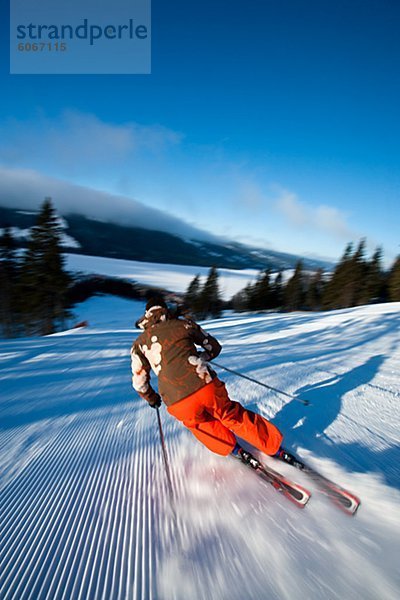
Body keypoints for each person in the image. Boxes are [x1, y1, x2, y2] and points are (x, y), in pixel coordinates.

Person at [130, 296, 283, 463]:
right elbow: (214, 347)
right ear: (166, 310)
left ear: (146, 316)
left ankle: (231, 447)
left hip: (176, 400)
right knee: (230, 414)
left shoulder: (139, 345)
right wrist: (200, 357)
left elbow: (139, 383)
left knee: (200, 424)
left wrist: (152, 398)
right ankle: (272, 444)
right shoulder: (184, 325)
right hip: (205, 384)